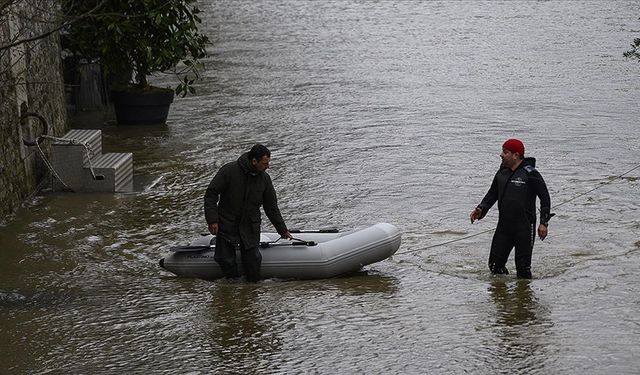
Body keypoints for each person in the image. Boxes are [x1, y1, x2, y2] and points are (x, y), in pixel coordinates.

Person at [204, 144, 292, 282]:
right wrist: (212, 220)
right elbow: (211, 194)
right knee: (224, 259)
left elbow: (271, 207)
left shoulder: (265, 179)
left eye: (268, 163)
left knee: (253, 261)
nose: (268, 166)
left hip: (250, 225)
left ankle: (250, 293)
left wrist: (282, 230)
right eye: (265, 163)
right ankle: (232, 286)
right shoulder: (229, 171)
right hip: (227, 222)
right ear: (254, 161)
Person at [469, 138, 552, 279]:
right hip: (504, 227)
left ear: (516, 155)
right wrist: (481, 209)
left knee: (523, 270)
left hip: (525, 227)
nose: (501, 155)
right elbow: (492, 194)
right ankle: (504, 295)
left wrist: (543, 223)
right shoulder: (502, 173)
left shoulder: (530, 173)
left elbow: (545, 197)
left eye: (505, 152)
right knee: (494, 266)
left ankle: (523, 299)